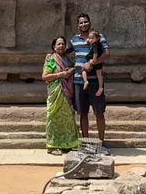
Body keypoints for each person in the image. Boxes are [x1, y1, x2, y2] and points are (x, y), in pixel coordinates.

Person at [70, 13, 110, 152]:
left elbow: (106, 53)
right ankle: (85, 142)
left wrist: (92, 64)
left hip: (95, 81)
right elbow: (64, 51)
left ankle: (102, 142)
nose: (83, 25)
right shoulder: (74, 40)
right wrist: (51, 54)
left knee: (99, 112)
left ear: (90, 23)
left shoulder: (99, 37)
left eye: (85, 22)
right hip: (79, 80)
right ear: (77, 25)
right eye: (81, 23)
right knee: (82, 113)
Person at [41, 36, 80, 155]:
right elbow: (45, 76)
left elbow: (71, 68)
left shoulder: (67, 59)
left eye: (63, 44)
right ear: (54, 47)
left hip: (67, 92)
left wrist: (71, 70)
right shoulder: (52, 59)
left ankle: (66, 144)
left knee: (67, 119)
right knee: (54, 119)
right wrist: (61, 74)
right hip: (56, 92)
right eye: (58, 44)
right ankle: (52, 145)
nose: (61, 46)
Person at [83, 30, 105, 96]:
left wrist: (94, 60)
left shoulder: (94, 45)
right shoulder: (99, 44)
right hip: (99, 63)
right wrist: (88, 40)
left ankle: (85, 81)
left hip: (93, 61)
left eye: (92, 38)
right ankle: (100, 87)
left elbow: (95, 53)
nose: (91, 40)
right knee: (99, 75)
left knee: (84, 69)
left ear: (97, 38)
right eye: (90, 38)